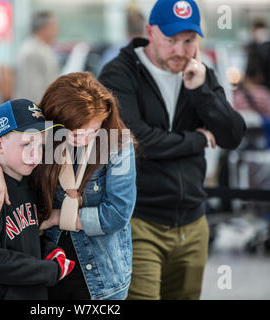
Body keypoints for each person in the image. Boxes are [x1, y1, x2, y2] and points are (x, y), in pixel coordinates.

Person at [98, 0, 246, 300]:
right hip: (139, 221)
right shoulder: (119, 73)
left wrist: (202, 92)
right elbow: (136, 140)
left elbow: (232, 135)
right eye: (171, 40)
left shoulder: (200, 74)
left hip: (193, 222)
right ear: (150, 32)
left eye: (189, 41)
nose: (181, 51)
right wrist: (198, 140)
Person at [0, 72, 137, 300]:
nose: (84, 138)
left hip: (102, 274)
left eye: (93, 131)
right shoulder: (41, 134)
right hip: (45, 269)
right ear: (58, 120)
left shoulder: (117, 145)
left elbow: (118, 214)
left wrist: (55, 217)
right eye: (76, 131)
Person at [0, 99, 74, 300]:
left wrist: (50, 251)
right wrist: (47, 270)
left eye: (40, 145)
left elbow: (25, 238)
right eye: (27, 143)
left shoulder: (27, 183)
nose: (35, 155)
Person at [15, 11, 60, 103]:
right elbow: (30, 89)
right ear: (42, 28)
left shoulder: (43, 47)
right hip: (34, 108)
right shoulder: (30, 51)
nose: (56, 30)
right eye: (53, 26)